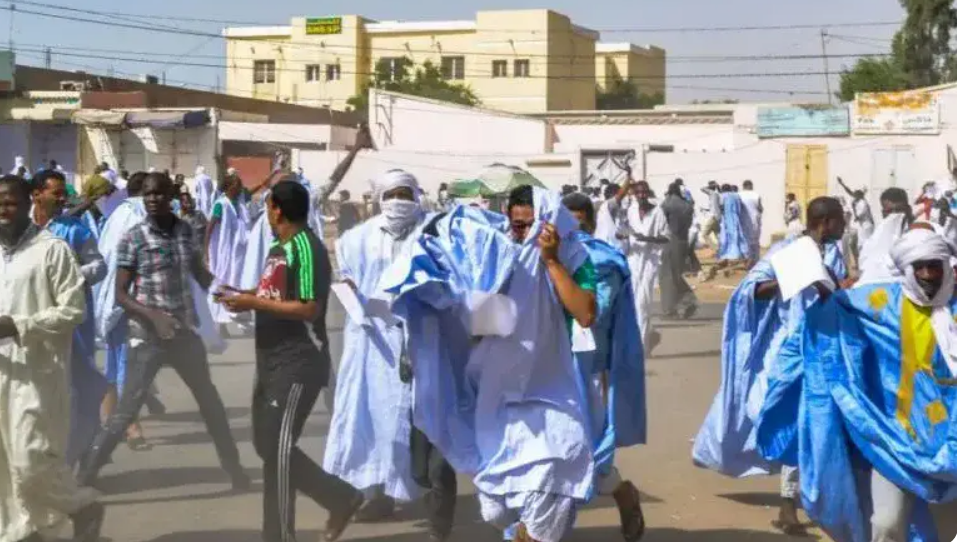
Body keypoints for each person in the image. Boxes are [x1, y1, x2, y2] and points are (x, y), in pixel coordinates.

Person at [756, 227, 957, 542]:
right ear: (907, 268)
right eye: (920, 267)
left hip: (952, 444)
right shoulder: (882, 303)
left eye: (935, 266)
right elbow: (836, 311)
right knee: (887, 524)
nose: (928, 275)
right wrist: (825, 293)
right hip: (896, 442)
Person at [77, 173, 248, 490]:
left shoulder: (184, 231)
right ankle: (84, 478)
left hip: (184, 334)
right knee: (125, 412)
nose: (152, 199)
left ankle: (235, 470)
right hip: (148, 338)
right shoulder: (134, 237)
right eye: (147, 194)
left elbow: (199, 273)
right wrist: (152, 316)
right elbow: (121, 294)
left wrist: (228, 292)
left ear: (171, 196)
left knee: (211, 405)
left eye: (158, 194)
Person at [693, 197, 847, 537]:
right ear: (826, 222)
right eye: (840, 219)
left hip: (824, 349)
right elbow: (751, 291)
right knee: (791, 420)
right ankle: (788, 501)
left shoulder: (833, 253)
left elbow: (836, 290)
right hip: (787, 351)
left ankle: (816, 496)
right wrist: (792, 279)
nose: (845, 225)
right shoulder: (787, 250)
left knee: (817, 422)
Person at [218, 181, 363, 542]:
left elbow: (309, 307)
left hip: (299, 360)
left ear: (277, 209)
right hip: (270, 359)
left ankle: (281, 535)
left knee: (279, 452)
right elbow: (273, 294)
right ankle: (339, 497)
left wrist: (253, 303)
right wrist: (242, 295)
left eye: (268, 205)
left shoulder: (306, 246)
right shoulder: (277, 247)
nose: (266, 211)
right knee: (267, 446)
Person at [322, 170, 435, 527]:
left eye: (406, 194)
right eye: (393, 194)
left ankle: (432, 493)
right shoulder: (357, 238)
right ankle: (377, 494)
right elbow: (349, 278)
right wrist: (351, 289)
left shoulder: (432, 232)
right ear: (380, 198)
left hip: (420, 336)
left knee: (419, 416)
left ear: (416, 196)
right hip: (373, 341)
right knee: (372, 416)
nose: (399, 201)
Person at [0, 174, 105, 542]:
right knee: (3, 462)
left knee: (31, 460)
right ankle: (21, 531)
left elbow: (73, 310)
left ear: (29, 201)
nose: (3, 209)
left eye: (10, 201)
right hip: (1, 371)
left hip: (37, 373)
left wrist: (18, 325)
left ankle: (82, 505)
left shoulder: (51, 250)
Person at [562, 193, 646, 542]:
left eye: (579, 220)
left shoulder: (604, 261)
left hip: (589, 373)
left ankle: (623, 493)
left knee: (588, 455)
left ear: (591, 223)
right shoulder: (542, 258)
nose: (573, 228)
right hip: (546, 373)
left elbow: (596, 312)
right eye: (567, 220)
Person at [30, 170, 109, 469]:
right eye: (57, 193)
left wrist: (70, 275)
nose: (63, 198)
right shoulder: (21, 230)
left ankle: (81, 453)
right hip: (32, 321)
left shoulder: (74, 230)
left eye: (64, 193)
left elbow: (99, 267)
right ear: (37, 194)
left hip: (72, 323)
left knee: (76, 387)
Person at [623, 180, 669, 354]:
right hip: (633, 261)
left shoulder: (657, 212)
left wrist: (647, 239)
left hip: (650, 262)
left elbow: (666, 237)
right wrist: (623, 236)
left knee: (643, 303)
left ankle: (641, 345)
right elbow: (625, 231)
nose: (641, 195)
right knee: (632, 304)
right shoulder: (631, 211)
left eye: (644, 192)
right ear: (634, 195)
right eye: (638, 193)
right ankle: (642, 338)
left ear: (648, 193)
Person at [205, 174, 251, 333]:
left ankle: (240, 320)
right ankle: (220, 323)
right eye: (237, 186)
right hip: (224, 253)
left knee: (237, 284)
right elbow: (210, 227)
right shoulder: (221, 204)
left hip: (238, 253)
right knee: (221, 284)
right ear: (229, 187)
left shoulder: (239, 203)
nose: (240, 189)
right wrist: (206, 251)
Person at [658, 183, 698, 319]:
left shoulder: (667, 204)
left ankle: (671, 309)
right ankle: (686, 300)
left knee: (666, 276)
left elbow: (661, 224)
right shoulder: (687, 205)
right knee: (675, 275)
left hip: (670, 241)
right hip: (683, 241)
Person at [857, 188, 913, 284]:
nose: (895, 216)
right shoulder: (872, 243)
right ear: (883, 213)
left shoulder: (920, 236)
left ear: (908, 209)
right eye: (890, 211)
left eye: (899, 210)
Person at [836, 177, 874, 266]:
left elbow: (857, 217)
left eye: (856, 194)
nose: (854, 195)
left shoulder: (863, 203)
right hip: (860, 226)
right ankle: (858, 262)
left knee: (863, 245)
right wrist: (842, 184)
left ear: (860, 195)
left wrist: (853, 207)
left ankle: (865, 263)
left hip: (866, 226)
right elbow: (849, 191)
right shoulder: (857, 200)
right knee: (853, 244)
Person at [716, 184, 752, 265]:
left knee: (728, 237)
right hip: (737, 217)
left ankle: (731, 255)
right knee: (739, 236)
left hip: (728, 218)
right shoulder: (736, 195)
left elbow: (720, 206)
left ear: (723, 190)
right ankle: (744, 254)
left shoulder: (723, 196)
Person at [739, 180, 763, 263]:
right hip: (755, 220)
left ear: (743, 186)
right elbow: (760, 209)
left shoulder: (739, 195)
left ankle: (747, 260)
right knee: (755, 241)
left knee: (745, 240)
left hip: (743, 220)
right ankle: (755, 260)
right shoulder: (756, 195)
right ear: (750, 186)